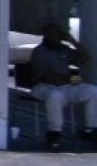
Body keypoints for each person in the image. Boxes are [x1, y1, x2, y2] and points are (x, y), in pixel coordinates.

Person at [30, 23, 97, 151]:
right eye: (54, 34)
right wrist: (70, 79)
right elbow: (45, 76)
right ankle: (54, 134)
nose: (57, 37)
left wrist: (72, 40)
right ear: (46, 35)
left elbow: (85, 58)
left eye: (59, 34)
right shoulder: (39, 51)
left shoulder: (64, 49)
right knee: (55, 96)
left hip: (66, 87)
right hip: (44, 87)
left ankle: (92, 129)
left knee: (93, 91)